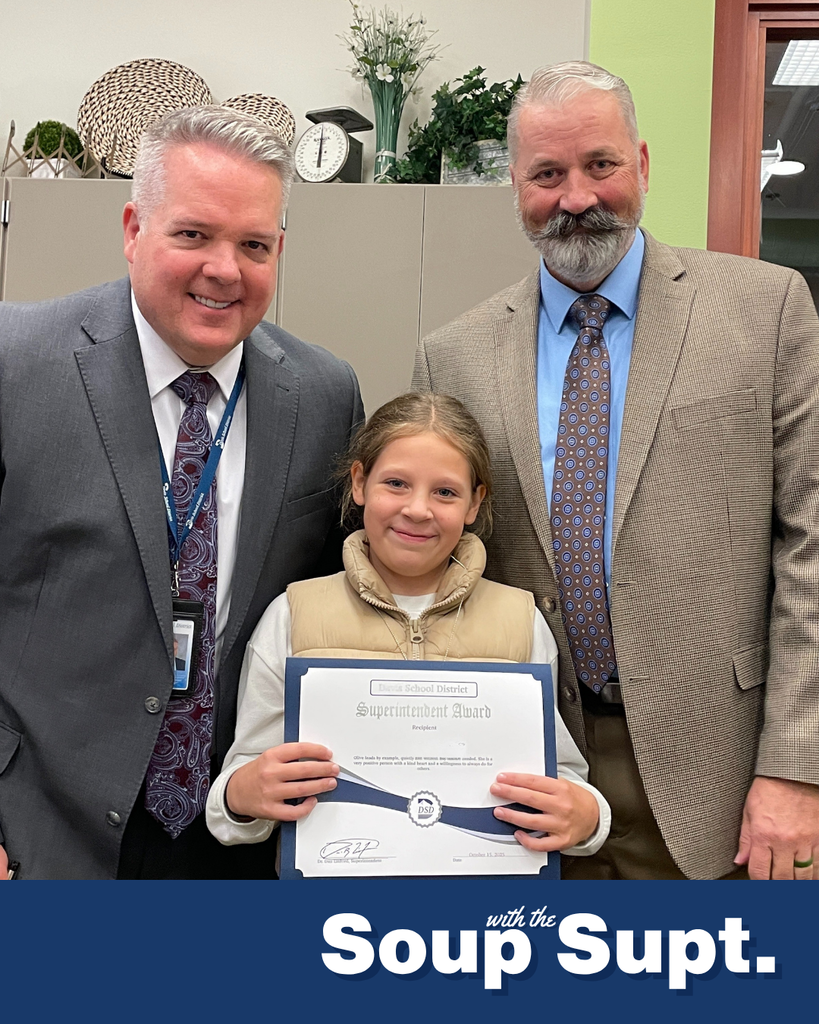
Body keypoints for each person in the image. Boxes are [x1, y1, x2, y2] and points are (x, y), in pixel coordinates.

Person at [412, 61, 819, 880]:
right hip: (516, 770)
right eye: (546, 175)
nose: (575, 197)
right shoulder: (450, 356)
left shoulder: (765, 308)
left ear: (640, 163)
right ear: (515, 187)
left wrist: (795, 765)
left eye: (598, 165)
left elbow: (809, 546)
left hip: (725, 775)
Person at [0, 105, 362, 879]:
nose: (224, 269)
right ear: (134, 229)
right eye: (193, 234)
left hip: (240, 839)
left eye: (253, 245)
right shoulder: (15, 363)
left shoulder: (325, 396)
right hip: (38, 831)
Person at [206, 392, 611, 860]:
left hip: (478, 917)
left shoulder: (520, 620)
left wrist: (588, 817)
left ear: (475, 503)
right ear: (359, 482)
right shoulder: (294, 614)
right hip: (335, 911)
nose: (418, 509)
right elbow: (232, 802)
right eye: (396, 483)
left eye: (445, 492)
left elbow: (563, 779)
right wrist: (242, 795)